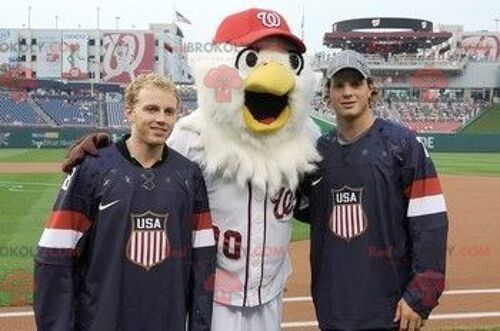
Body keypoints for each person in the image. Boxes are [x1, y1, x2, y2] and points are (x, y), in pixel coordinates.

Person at [60, 8, 321, 331]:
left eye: (286, 59)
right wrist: (103, 152)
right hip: (211, 296)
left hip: (270, 294)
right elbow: (144, 168)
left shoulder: (307, 134)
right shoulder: (190, 135)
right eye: (255, 57)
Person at [34, 73, 216, 331]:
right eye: (151, 109)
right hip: (102, 320)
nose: (161, 119)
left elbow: (203, 259)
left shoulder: (189, 175)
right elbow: (54, 256)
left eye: (169, 111)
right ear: (129, 111)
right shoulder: (92, 169)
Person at [296, 50, 449, 331]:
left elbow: (430, 224)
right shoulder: (316, 154)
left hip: (389, 309)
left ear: (371, 89)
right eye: (339, 85)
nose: (347, 92)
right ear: (327, 93)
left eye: (356, 84)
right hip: (333, 307)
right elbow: (305, 209)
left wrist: (420, 296)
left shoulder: (403, 146)